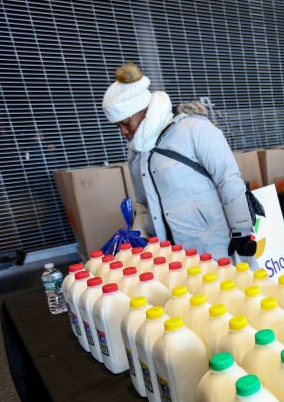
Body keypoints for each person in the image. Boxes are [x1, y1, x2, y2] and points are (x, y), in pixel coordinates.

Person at [102, 62, 257, 259]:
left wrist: (241, 232)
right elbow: (143, 203)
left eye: (125, 123)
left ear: (144, 110)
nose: (123, 131)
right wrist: (138, 237)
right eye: (118, 126)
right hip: (171, 255)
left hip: (216, 245)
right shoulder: (136, 152)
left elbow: (228, 179)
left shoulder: (194, 129)